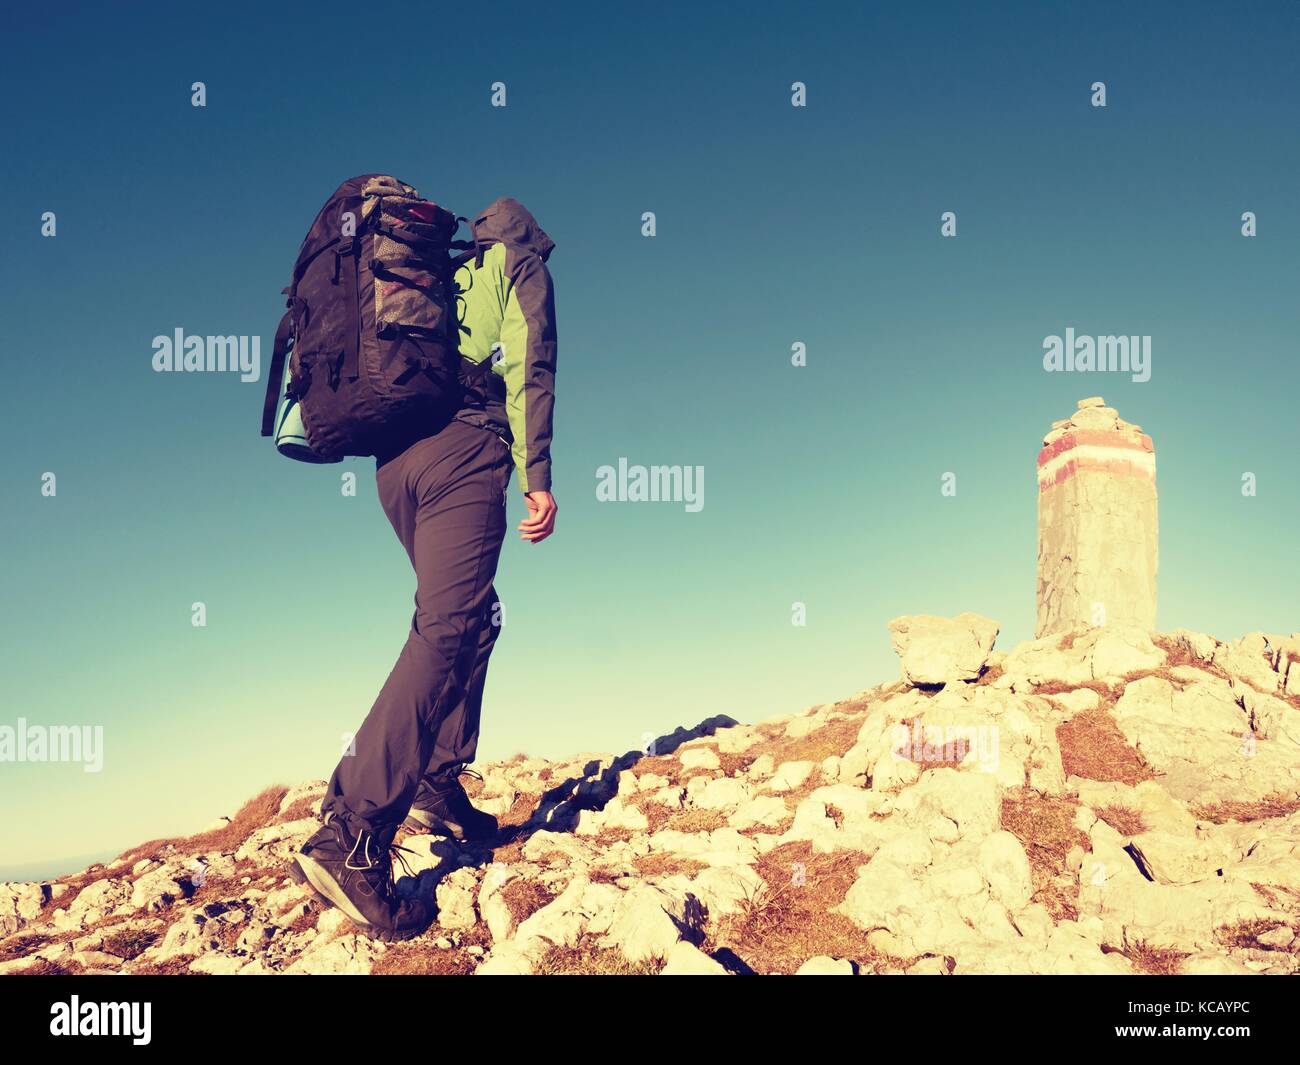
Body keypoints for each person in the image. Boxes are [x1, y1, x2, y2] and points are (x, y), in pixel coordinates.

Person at [292, 197, 558, 940]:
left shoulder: (443, 275)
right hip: (463, 453)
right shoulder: (517, 265)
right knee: (448, 624)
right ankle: (352, 830)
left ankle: (437, 779)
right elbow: (531, 362)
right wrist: (537, 474)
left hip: (395, 467)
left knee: (474, 615)